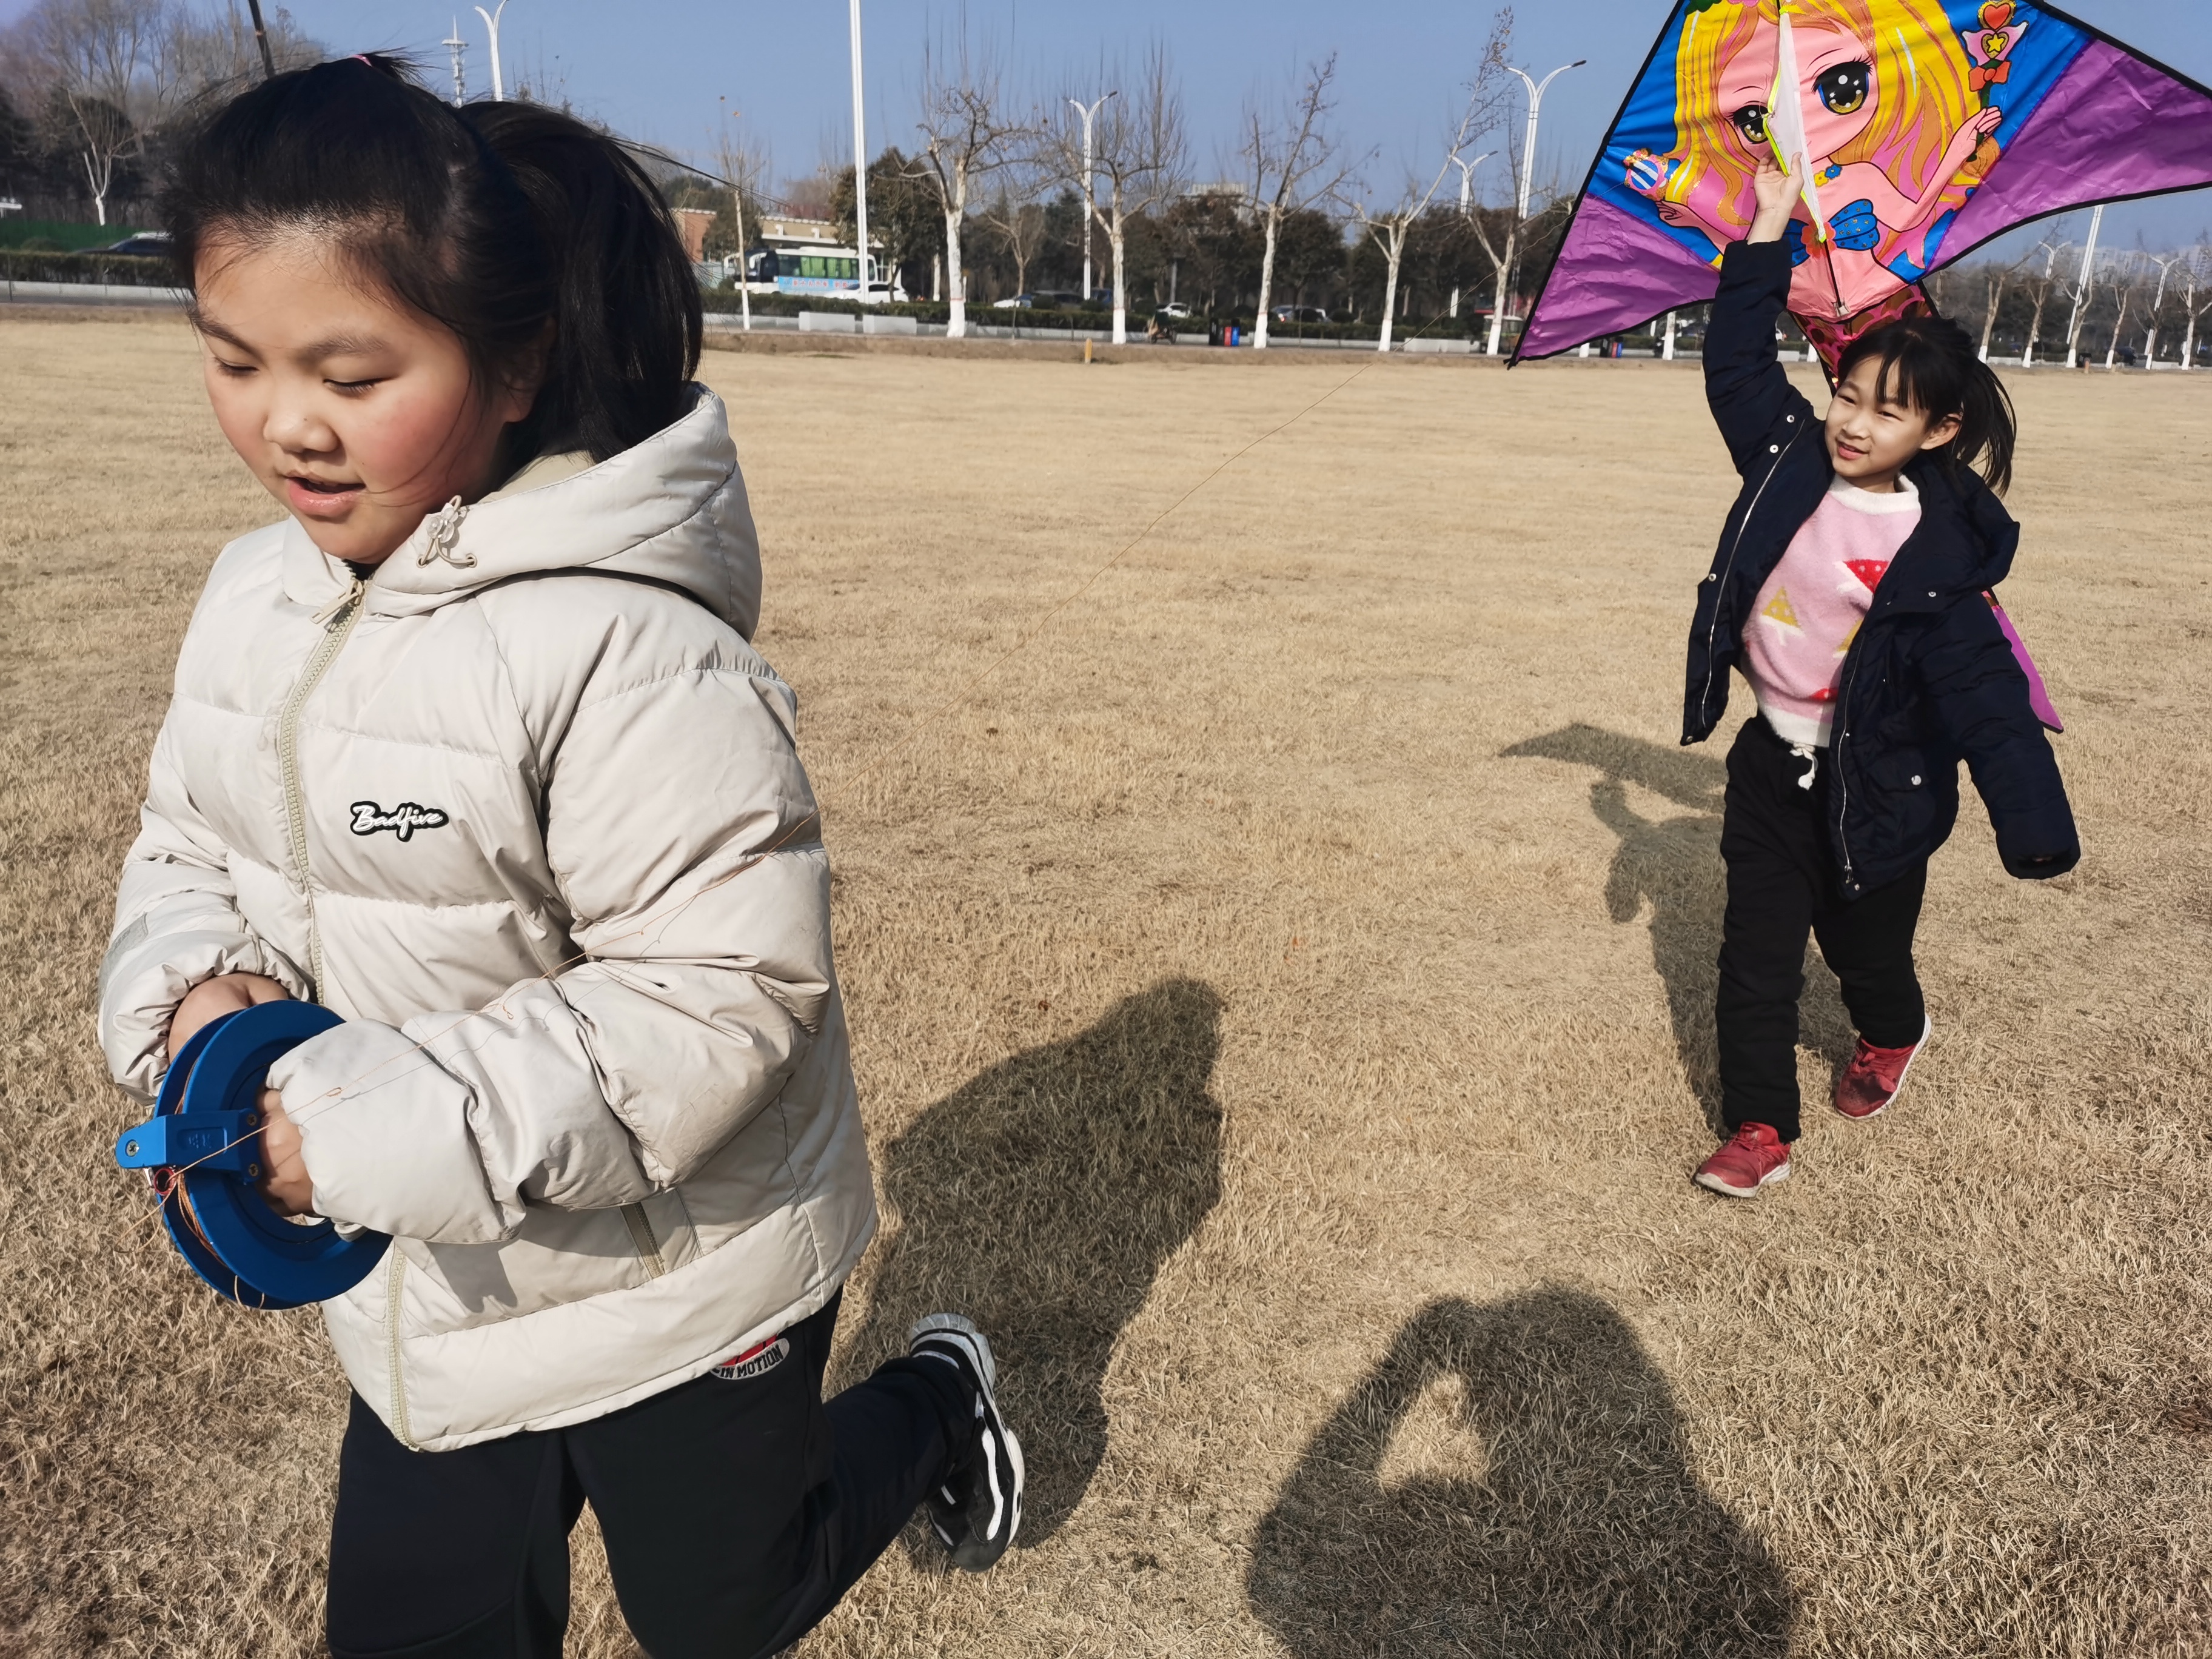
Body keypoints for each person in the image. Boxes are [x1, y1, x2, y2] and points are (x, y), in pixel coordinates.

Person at [96, 56, 1023, 1657]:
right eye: (234, 359)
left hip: (689, 1278)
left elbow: (719, 992)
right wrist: (196, 993)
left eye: (351, 373)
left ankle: (937, 1403)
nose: (287, 423)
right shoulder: (257, 599)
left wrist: (381, 1126)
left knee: (723, 1612)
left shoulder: (628, 651)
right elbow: (187, 841)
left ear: (514, 363)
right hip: (440, 1296)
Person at [1681, 154, 2077, 1200]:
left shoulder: (1938, 559)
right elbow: (1735, 362)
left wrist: (2035, 828)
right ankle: (1759, 1126)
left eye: (1887, 412)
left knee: (1867, 956)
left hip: (1885, 786)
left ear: (1938, 432)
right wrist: (1768, 226)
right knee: (1755, 957)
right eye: (1847, 395)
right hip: (1771, 768)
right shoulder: (1788, 460)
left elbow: (1991, 710)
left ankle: (1894, 1031)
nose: (1854, 423)